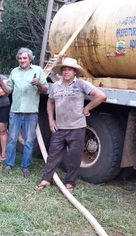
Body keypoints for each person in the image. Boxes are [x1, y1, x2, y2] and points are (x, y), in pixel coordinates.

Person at [35, 57, 106, 192]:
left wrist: (87, 109)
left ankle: (70, 182)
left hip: (77, 128)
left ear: (75, 72)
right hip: (59, 127)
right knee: (53, 155)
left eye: (70, 70)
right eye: (65, 70)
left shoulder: (81, 84)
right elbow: (50, 103)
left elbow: (100, 96)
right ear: (62, 72)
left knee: (74, 157)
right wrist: (51, 120)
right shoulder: (56, 86)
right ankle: (46, 179)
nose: (67, 72)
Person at [0, 48, 48, 178]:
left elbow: (45, 91)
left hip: (31, 112)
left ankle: (25, 167)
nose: (22, 60)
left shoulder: (38, 71)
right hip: (15, 111)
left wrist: (38, 84)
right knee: (12, 139)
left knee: (29, 141)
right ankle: (9, 164)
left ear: (30, 59)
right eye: (20, 58)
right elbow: (8, 91)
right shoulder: (14, 71)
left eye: (24, 58)